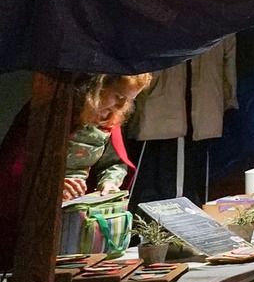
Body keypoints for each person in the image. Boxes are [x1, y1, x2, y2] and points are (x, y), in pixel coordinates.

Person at [0, 72, 152, 260]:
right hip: (38, 208)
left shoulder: (110, 119)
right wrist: (52, 183)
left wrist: (109, 183)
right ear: (99, 86)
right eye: (119, 96)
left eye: (128, 100)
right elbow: (16, 165)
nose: (121, 106)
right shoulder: (52, 109)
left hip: (77, 211)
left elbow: (113, 162)